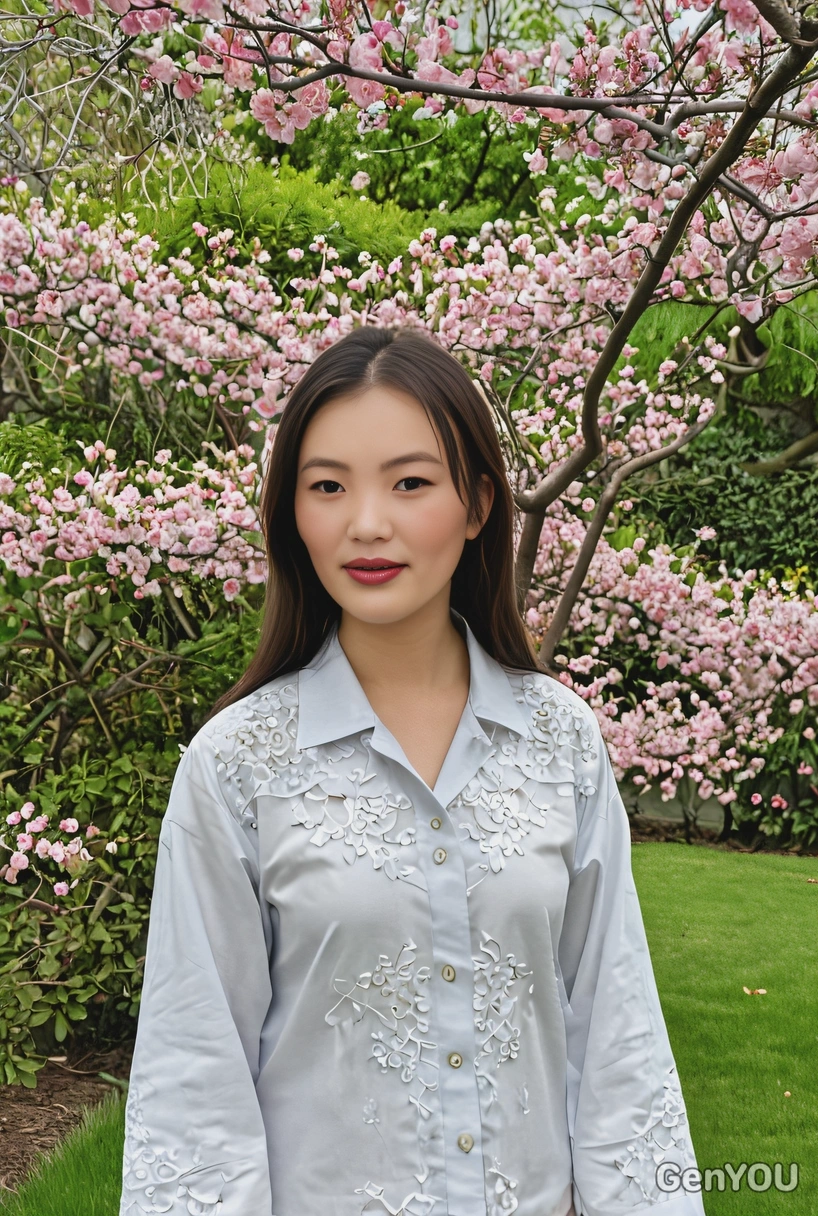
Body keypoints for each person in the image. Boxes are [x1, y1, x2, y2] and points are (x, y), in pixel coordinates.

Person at [119, 324, 707, 1216]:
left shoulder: (559, 742)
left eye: (410, 483)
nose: (367, 523)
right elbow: (193, 1073)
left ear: (477, 506)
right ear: (291, 513)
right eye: (328, 486)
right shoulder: (237, 766)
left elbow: (616, 1032)